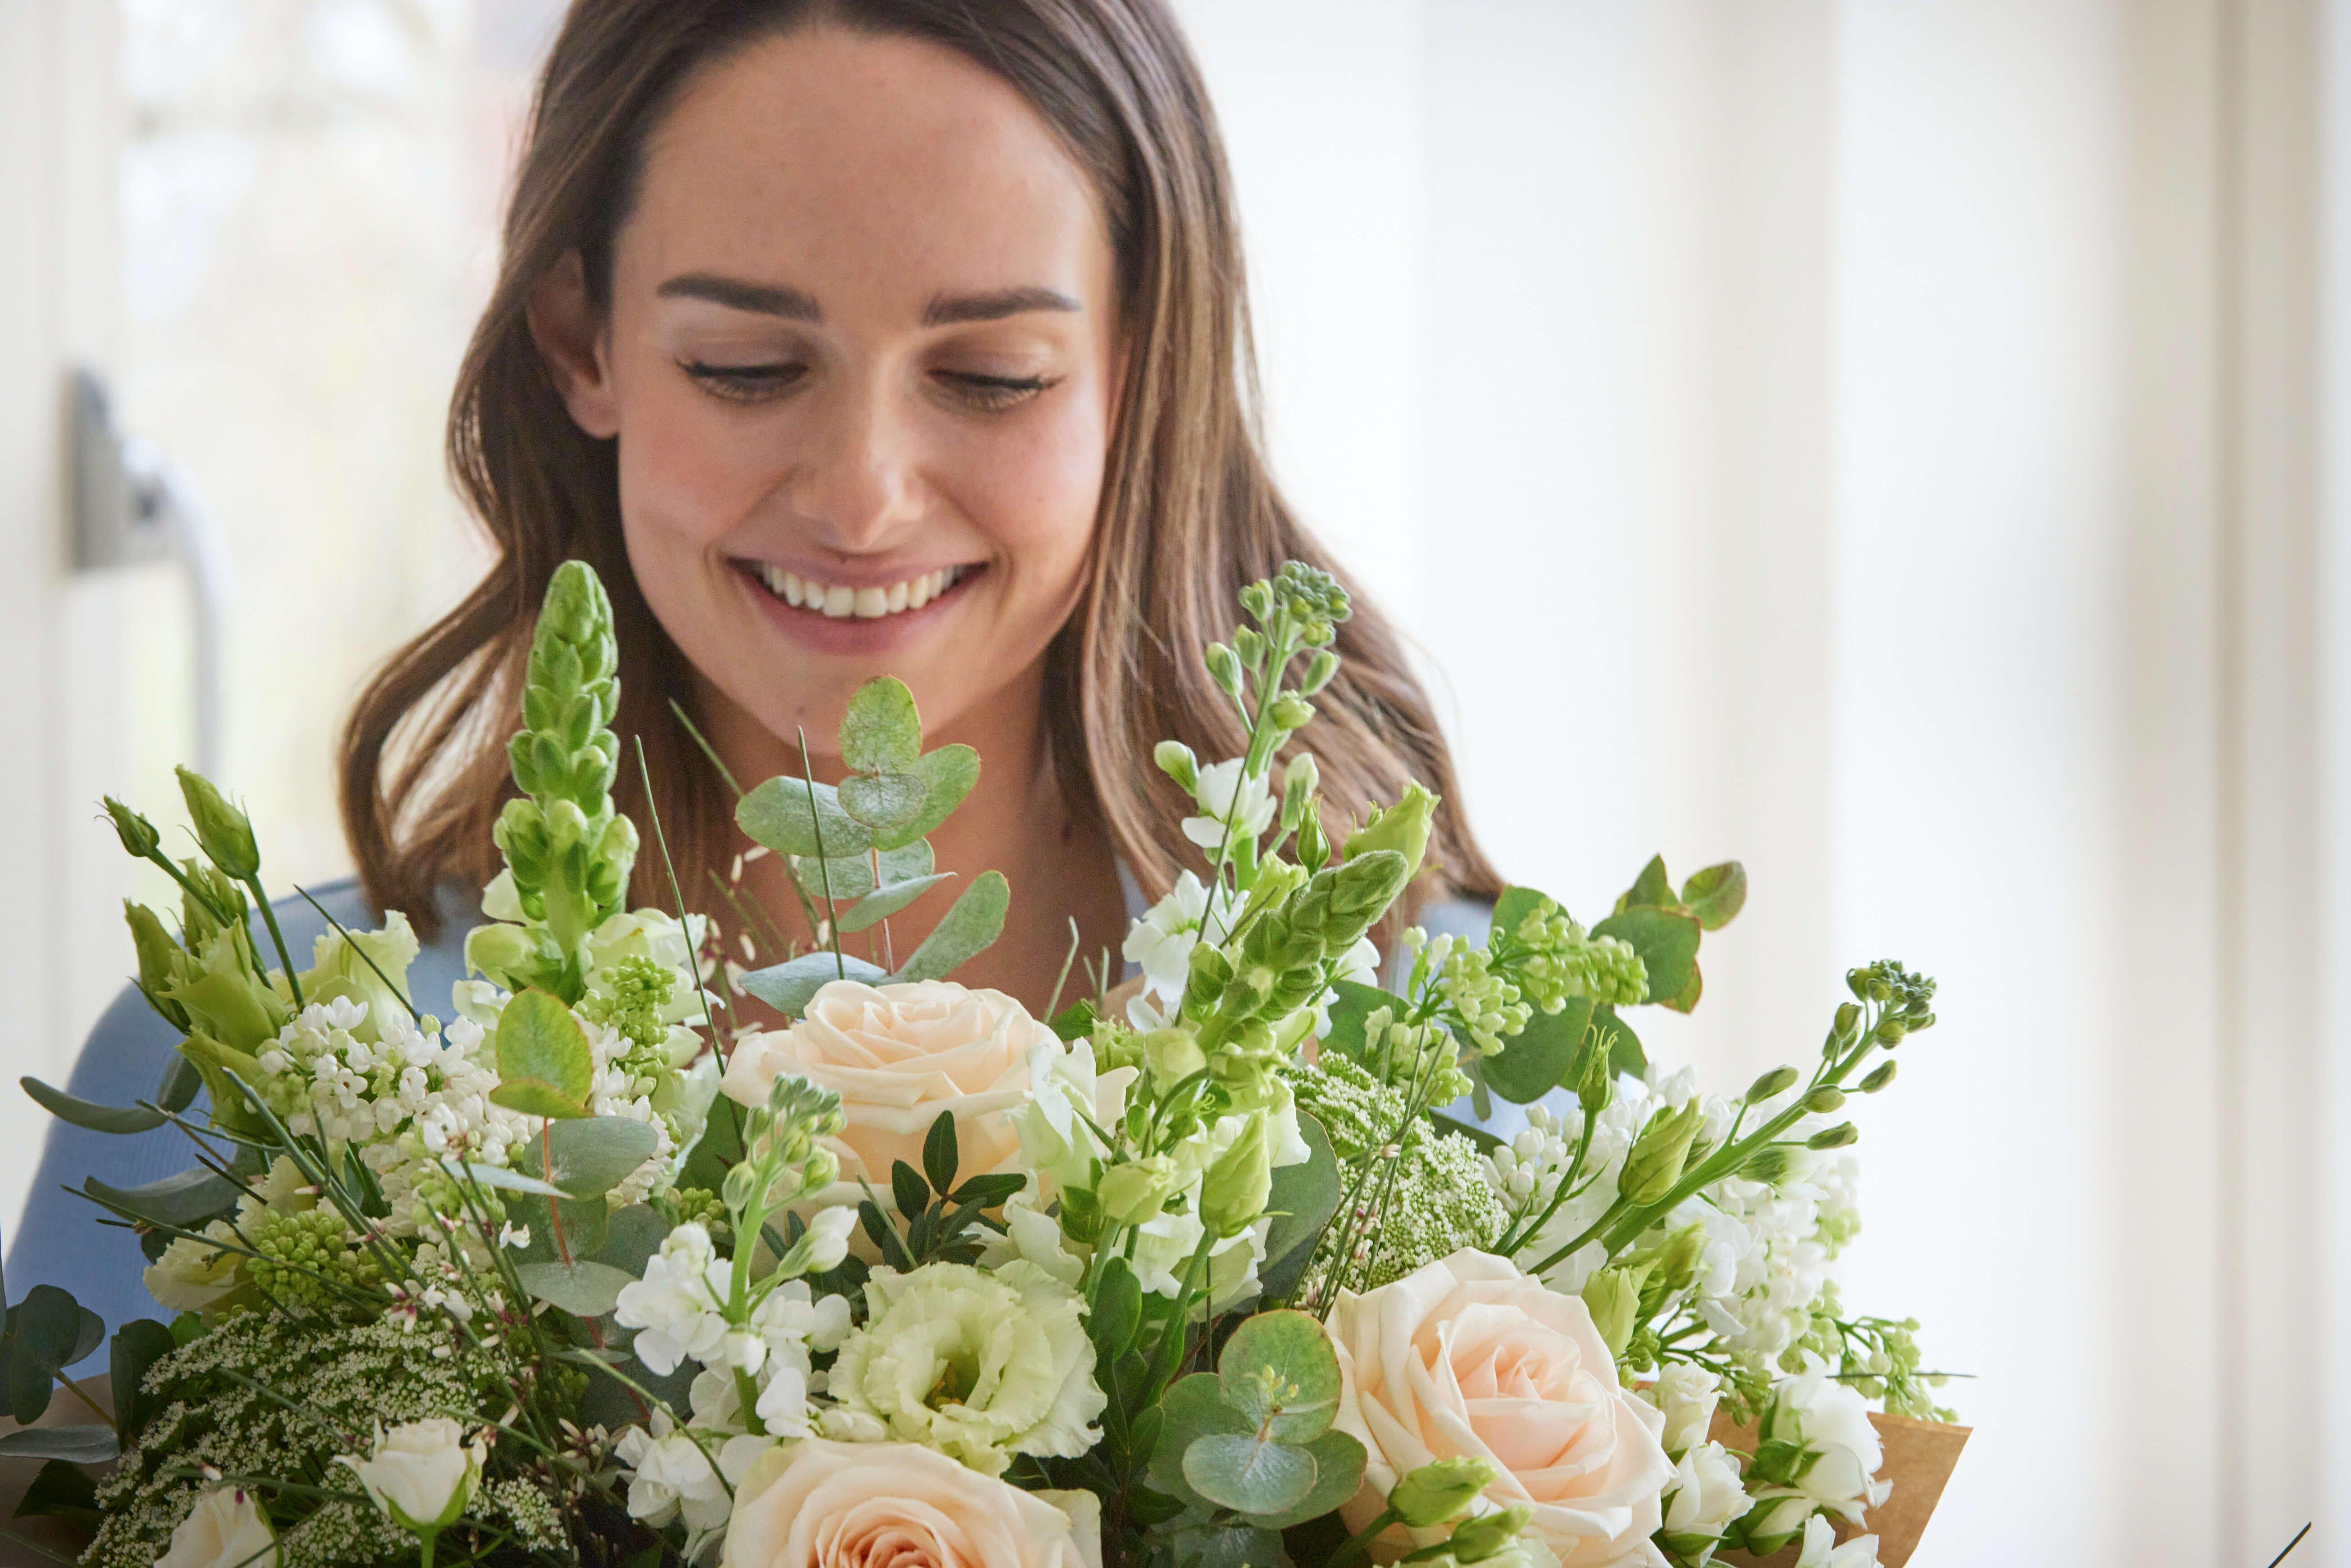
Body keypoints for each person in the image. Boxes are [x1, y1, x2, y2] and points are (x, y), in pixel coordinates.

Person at [8, 0, 1500, 1348]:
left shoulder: (1451, 1073)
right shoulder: (256, 1080)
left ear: (1140, 368)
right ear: (581, 341)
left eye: (991, 378)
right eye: (744, 366)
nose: (862, 498)